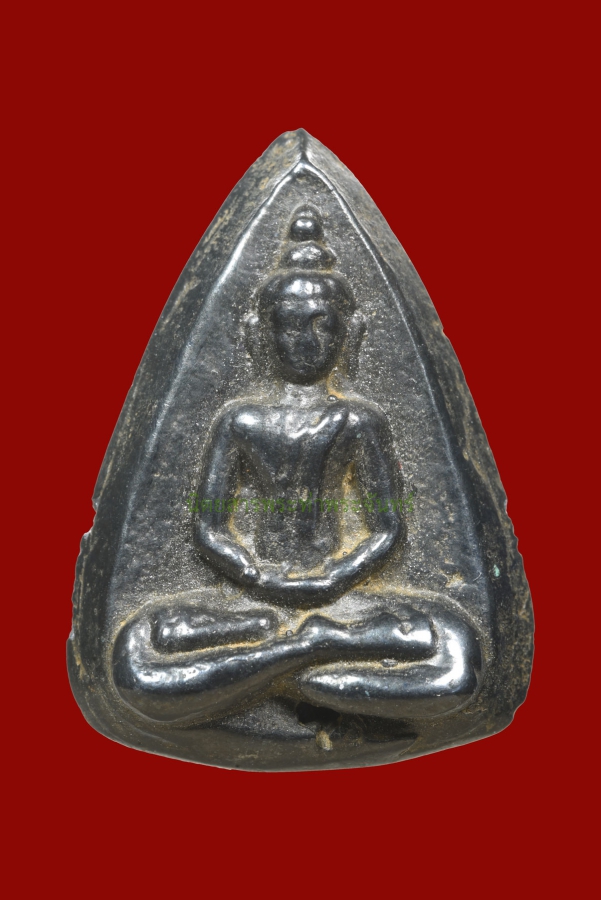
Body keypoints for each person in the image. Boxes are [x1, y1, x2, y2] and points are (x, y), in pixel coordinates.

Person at [113, 208, 481, 725]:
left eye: (321, 324)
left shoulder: (359, 420)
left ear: (349, 332)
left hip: (343, 602)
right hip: (251, 604)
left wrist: (335, 577)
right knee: (135, 650)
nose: (305, 341)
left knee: (461, 653)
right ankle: (307, 654)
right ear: (259, 333)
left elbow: (387, 529)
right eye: (289, 325)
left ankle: (266, 669)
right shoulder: (239, 421)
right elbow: (209, 527)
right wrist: (255, 574)